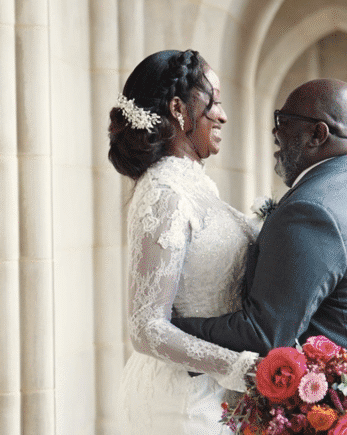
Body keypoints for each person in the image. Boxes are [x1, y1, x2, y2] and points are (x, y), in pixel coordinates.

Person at [172, 78, 347, 434]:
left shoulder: (312, 209)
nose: (274, 132)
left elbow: (265, 335)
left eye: (283, 121)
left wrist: (171, 328)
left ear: (317, 134)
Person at [109, 49, 258, 434]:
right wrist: (240, 368)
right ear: (178, 108)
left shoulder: (195, 184)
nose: (223, 116)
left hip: (211, 393)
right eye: (215, 103)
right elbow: (146, 327)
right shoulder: (164, 191)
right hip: (181, 404)